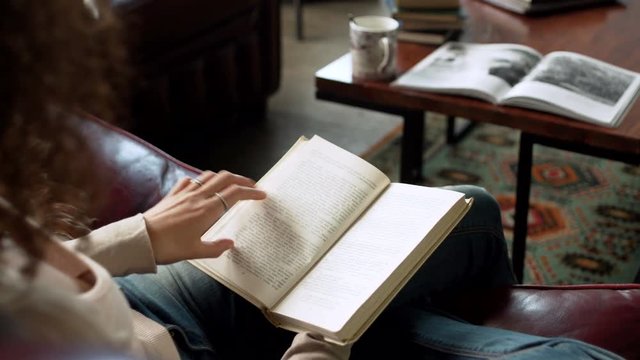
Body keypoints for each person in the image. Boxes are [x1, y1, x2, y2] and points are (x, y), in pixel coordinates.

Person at [0, 1, 624, 359]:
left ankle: (394, 311)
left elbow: (21, 274)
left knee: (470, 207)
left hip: (148, 302)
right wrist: (321, 346)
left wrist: (140, 238)